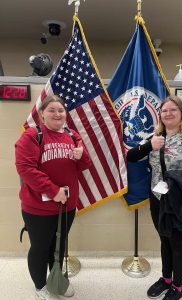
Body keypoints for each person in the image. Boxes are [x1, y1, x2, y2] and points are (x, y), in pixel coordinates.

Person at [127, 96, 182, 300]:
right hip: (158, 199)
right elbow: (131, 156)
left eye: (173, 110)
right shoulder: (154, 136)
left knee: (177, 244)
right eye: (164, 111)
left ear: (181, 112)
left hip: (181, 202)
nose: (168, 114)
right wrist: (151, 145)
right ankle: (166, 279)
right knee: (164, 240)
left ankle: (178, 286)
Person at [15, 95, 92, 300]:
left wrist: (81, 156)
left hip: (67, 206)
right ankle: (40, 287)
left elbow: (85, 166)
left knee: (58, 245)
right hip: (38, 208)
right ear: (42, 114)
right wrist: (53, 190)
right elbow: (25, 168)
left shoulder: (72, 135)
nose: (57, 114)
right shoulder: (32, 135)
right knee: (40, 247)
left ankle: (56, 279)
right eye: (52, 110)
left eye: (60, 110)